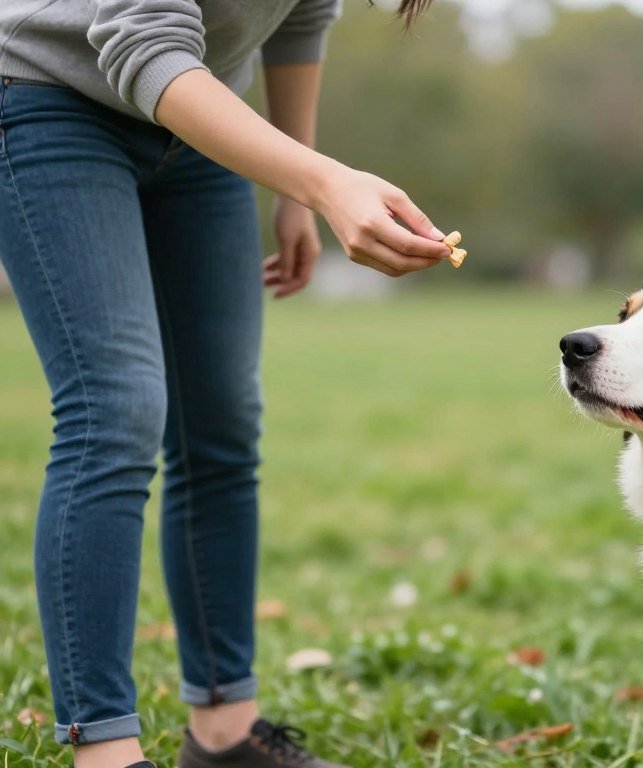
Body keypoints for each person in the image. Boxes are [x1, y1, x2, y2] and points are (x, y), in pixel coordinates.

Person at [0, 1, 446, 766]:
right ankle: (104, 750)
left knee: (223, 423)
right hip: (50, 95)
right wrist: (328, 183)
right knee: (116, 411)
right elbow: (139, 38)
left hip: (199, 121)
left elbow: (302, 17)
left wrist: (298, 191)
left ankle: (225, 736)